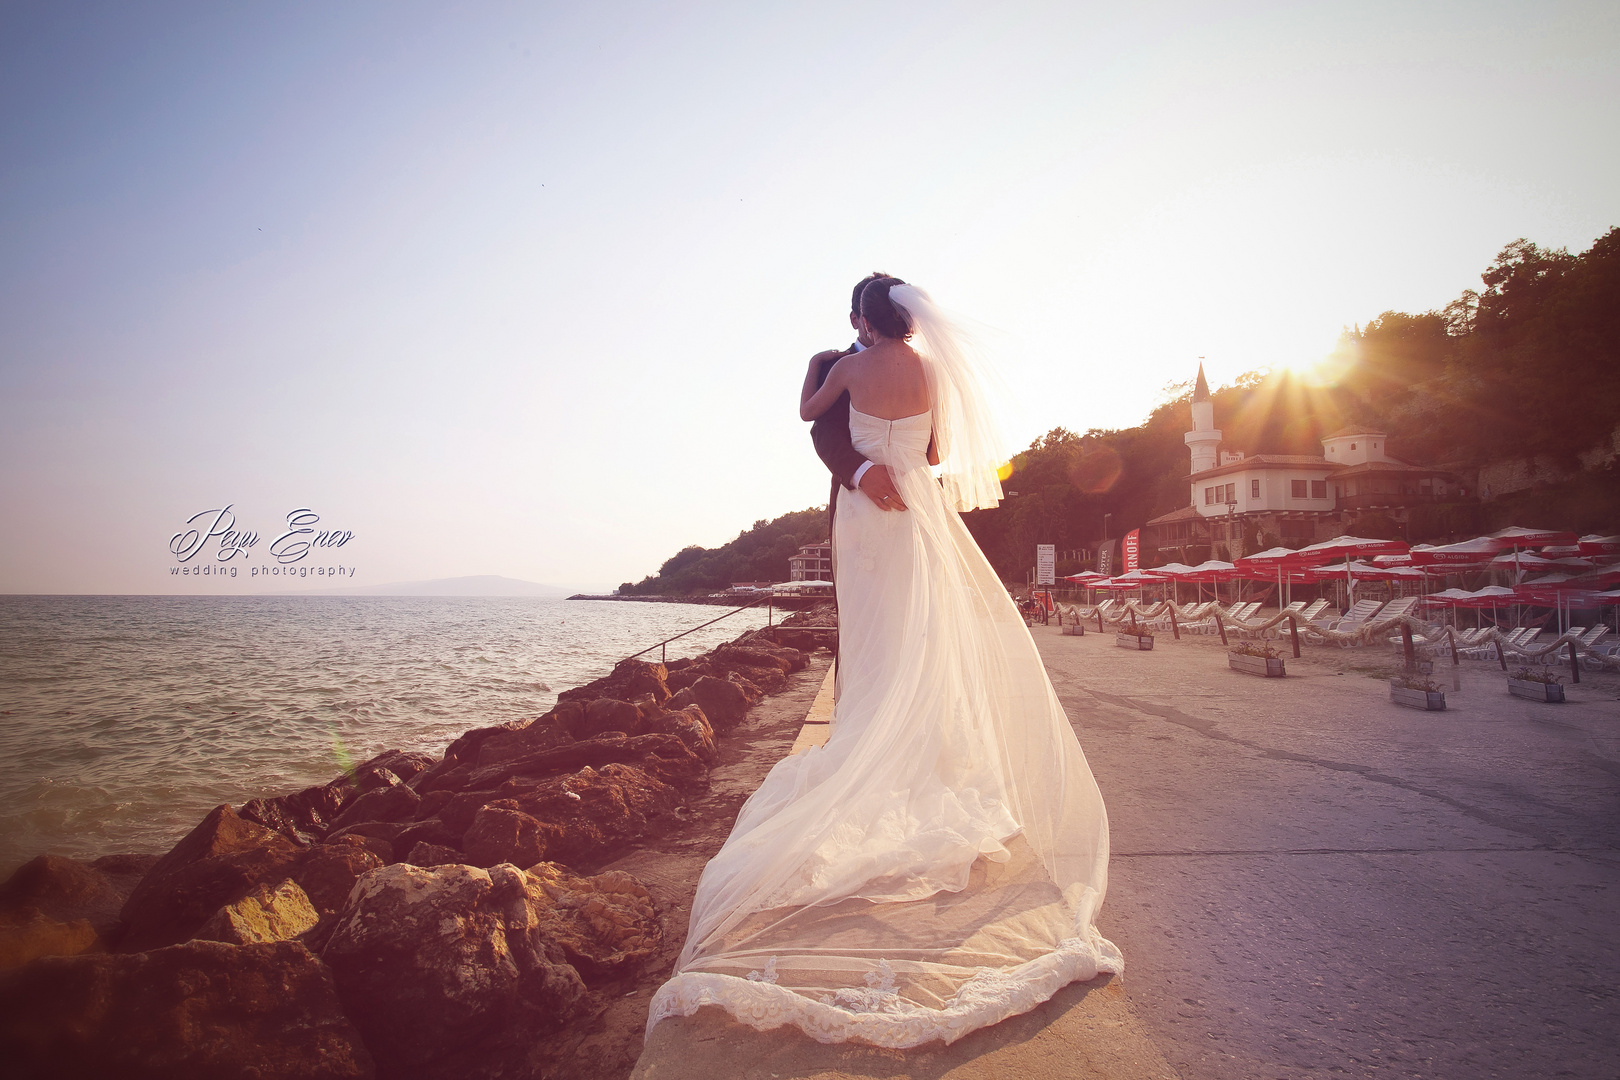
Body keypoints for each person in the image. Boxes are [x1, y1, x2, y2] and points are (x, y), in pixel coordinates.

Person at [646, 278, 1120, 1048]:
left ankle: (871, 742)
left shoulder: (844, 365)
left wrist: (842, 376)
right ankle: (915, 749)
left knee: (873, 635)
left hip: (871, 518)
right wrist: (889, 449)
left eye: (855, 319)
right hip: (918, 505)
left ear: (866, 319)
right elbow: (935, 449)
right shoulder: (934, 368)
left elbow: (809, 413)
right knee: (920, 630)